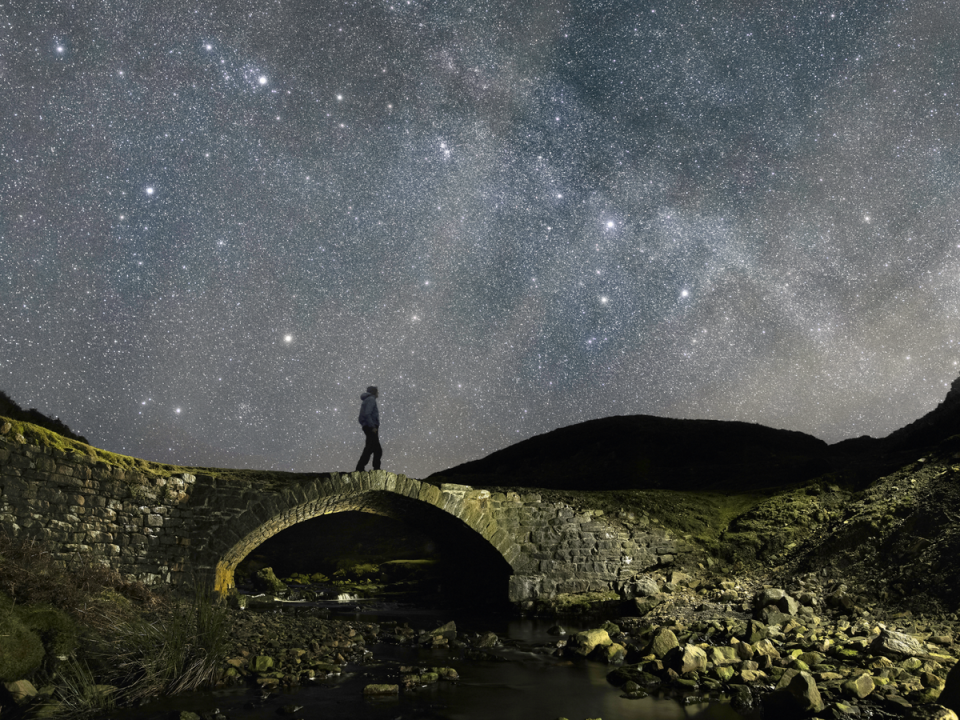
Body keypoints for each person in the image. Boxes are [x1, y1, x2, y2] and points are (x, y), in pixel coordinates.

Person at [355, 385, 382, 471]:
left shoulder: (367, 400)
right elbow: (367, 414)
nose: (378, 393)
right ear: (374, 392)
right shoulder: (371, 399)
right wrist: (372, 426)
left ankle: (362, 467)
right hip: (371, 426)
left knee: (372, 447)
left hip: (368, 426)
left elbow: (361, 417)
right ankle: (366, 467)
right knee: (374, 448)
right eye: (377, 392)